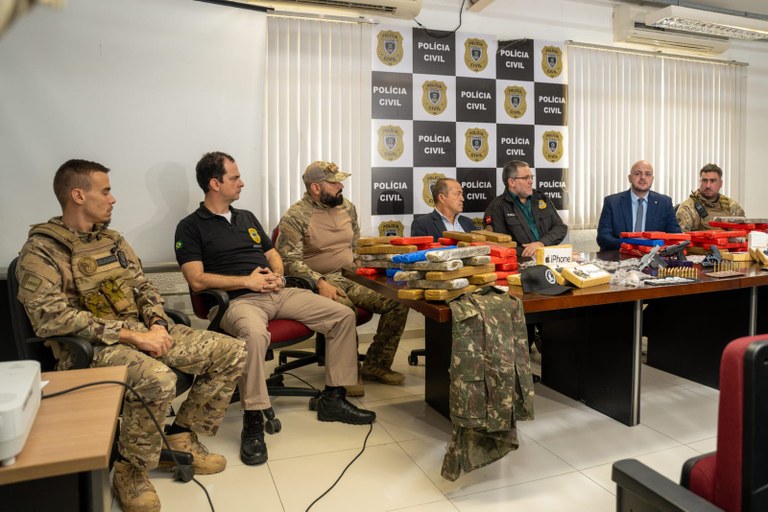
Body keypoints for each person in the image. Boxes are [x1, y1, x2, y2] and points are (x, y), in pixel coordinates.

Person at [15, 159, 247, 512]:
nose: (113, 199)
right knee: (157, 378)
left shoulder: (113, 240)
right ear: (78, 195)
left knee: (230, 350)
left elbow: (144, 288)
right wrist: (131, 337)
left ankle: (181, 436)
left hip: (141, 332)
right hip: (91, 349)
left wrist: (155, 322)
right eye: (105, 191)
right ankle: (130, 470)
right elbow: (51, 318)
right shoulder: (41, 251)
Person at [174, 151, 375, 468]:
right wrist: (248, 281)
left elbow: (273, 253)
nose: (242, 182)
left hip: (275, 291)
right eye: (235, 177)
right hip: (236, 301)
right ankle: (253, 421)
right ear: (215, 183)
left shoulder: (247, 218)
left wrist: (277, 276)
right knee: (255, 336)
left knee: (341, 314)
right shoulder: (190, 227)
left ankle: (333, 399)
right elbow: (196, 280)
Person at [276, 161, 408, 390]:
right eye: (334, 182)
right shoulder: (295, 216)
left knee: (398, 303)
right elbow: (288, 261)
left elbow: (355, 241)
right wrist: (319, 282)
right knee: (345, 311)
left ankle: (376, 365)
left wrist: (361, 264)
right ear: (316, 187)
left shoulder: (347, 207)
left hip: (351, 277)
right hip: (318, 282)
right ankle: (348, 374)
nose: (341, 186)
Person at [483, 160, 567, 258]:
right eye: (526, 178)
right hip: (520, 264)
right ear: (512, 182)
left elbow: (560, 227)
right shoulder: (496, 207)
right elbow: (500, 245)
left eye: (531, 177)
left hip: (550, 258)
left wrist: (541, 243)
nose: (531, 181)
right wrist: (530, 251)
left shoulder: (541, 198)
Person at [597, 160, 682, 251]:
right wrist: (629, 246)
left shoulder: (664, 203)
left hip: (654, 257)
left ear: (652, 179)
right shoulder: (612, 202)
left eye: (648, 174)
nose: (643, 177)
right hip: (619, 256)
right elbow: (603, 237)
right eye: (637, 174)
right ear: (629, 178)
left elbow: (675, 236)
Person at [676, 163, 746, 231]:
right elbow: (682, 239)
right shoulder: (688, 207)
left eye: (712, 181)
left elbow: (744, 232)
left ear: (720, 183)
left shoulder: (732, 206)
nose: (708, 186)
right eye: (705, 181)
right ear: (700, 182)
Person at [411, 177, 475, 240]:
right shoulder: (422, 224)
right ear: (442, 198)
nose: (462, 199)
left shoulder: (468, 223)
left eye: (462, 194)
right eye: (457, 194)